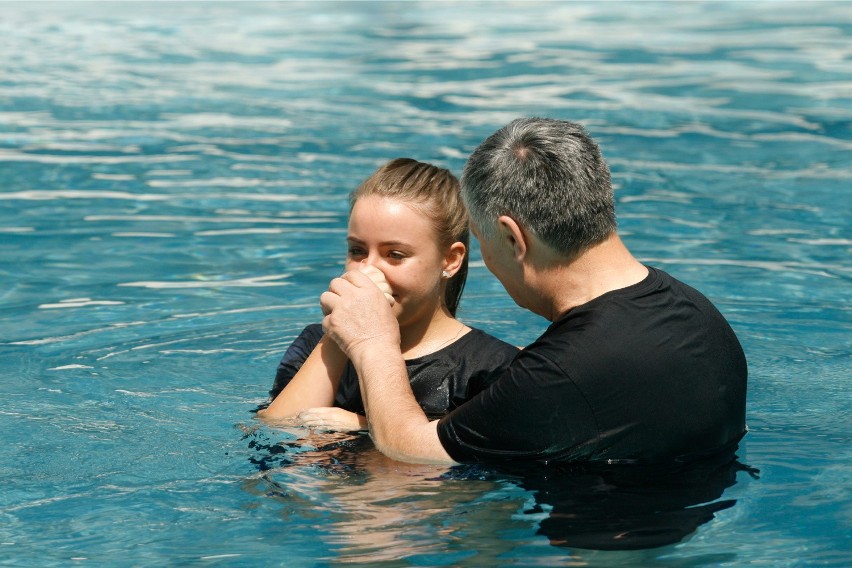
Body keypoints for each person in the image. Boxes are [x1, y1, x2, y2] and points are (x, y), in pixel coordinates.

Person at [319, 118, 748, 465]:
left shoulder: (560, 372)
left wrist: (372, 341)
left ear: (512, 239)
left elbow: (410, 450)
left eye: (481, 241)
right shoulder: (699, 314)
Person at [258, 158, 519, 431]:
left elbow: (461, 462)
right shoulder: (315, 343)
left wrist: (365, 428)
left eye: (395, 255)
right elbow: (276, 438)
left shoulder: (491, 369)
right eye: (357, 251)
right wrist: (338, 337)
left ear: (450, 260)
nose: (369, 270)